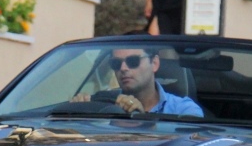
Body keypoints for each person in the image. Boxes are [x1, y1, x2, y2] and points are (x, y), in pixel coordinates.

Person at [74, 47, 203, 116]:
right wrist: (78, 112)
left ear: (154, 63)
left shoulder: (183, 109)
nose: (123, 68)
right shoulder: (101, 104)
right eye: (116, 63)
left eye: (133, 61)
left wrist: (143, 119)